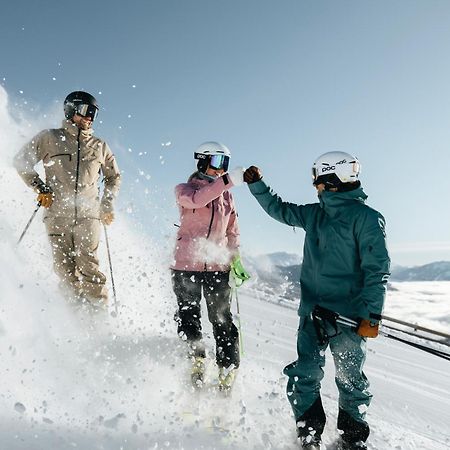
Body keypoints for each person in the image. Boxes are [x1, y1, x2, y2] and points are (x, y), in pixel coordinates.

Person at [243, 152, 390, 450]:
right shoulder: (315, 215)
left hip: (349, 318)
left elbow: (377, 270)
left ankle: (352, 439)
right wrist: (258, 184)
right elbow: (279, 209)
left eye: (316, 179)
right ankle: (309, 433)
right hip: (313, 314)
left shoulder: (367, 219)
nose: (314, 185)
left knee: (351, 380)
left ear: (328, 178)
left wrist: (372, 315)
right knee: (304, 374)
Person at [14, 91, 121, 309]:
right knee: (64, 271)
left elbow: (113, 177)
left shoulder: (99, 146)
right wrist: (39, 187)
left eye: (94, 113)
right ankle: (76, 317)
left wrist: (107, 205)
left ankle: (99, 318)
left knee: (88, 266)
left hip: (88, 215)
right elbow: (21, 161)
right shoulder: (50, 138)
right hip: (57, 215)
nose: (90, 117)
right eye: (85, 111)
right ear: (71, 110)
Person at [171, 141, 247, 391]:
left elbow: (232, 228)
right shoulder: (185, 190)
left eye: (224, 164)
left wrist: (234, 255)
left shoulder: (226, 195)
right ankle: (195, 360)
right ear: (202, 161)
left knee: (221, 317)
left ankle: (227, 367)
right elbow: (197, 200)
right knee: (188, 315)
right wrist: (227, 181)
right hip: (186, 265)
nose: (221, 169)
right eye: (216, 162)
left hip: (217, 268)